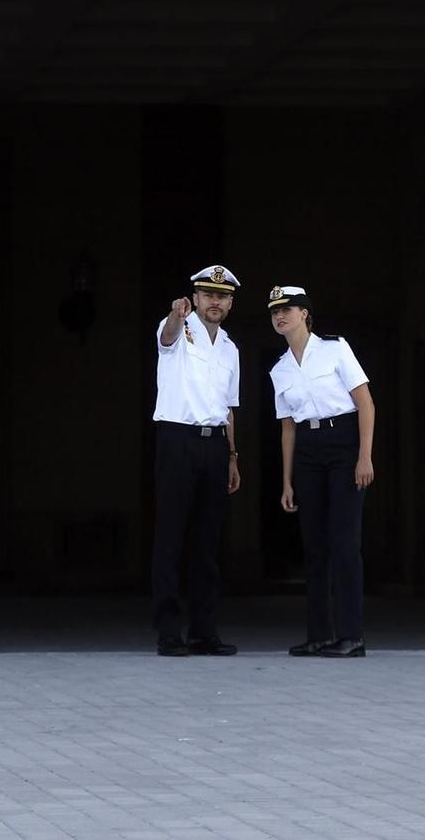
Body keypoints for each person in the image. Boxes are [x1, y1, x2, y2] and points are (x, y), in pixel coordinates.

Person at [268, 285, 374, 658]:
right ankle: (319, 634)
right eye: (275, 312)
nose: (281, 316)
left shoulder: (334, 348)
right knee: (314, 546)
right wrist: (286, 480)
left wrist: (365, 457)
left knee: (345, 543)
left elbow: (365, 404)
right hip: (308, 453)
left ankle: (351, 635)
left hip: (343, 442)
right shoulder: (279, 369)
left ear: (305, 314)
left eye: (288, 309)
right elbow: (287, 428)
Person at [150, 264, 243, 656]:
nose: (215, 301)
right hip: (177, 439)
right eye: (208, 295)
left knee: (209, 541)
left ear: (230, 302)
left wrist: (234, 457)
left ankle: (204, 631)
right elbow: (167, 337)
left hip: (215, 444)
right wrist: (175, 314)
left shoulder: (231, 348)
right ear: (196, 297)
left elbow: (229, 408)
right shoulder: (176, 328)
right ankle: (169, 631)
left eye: (222, 296)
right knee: (171, 536)